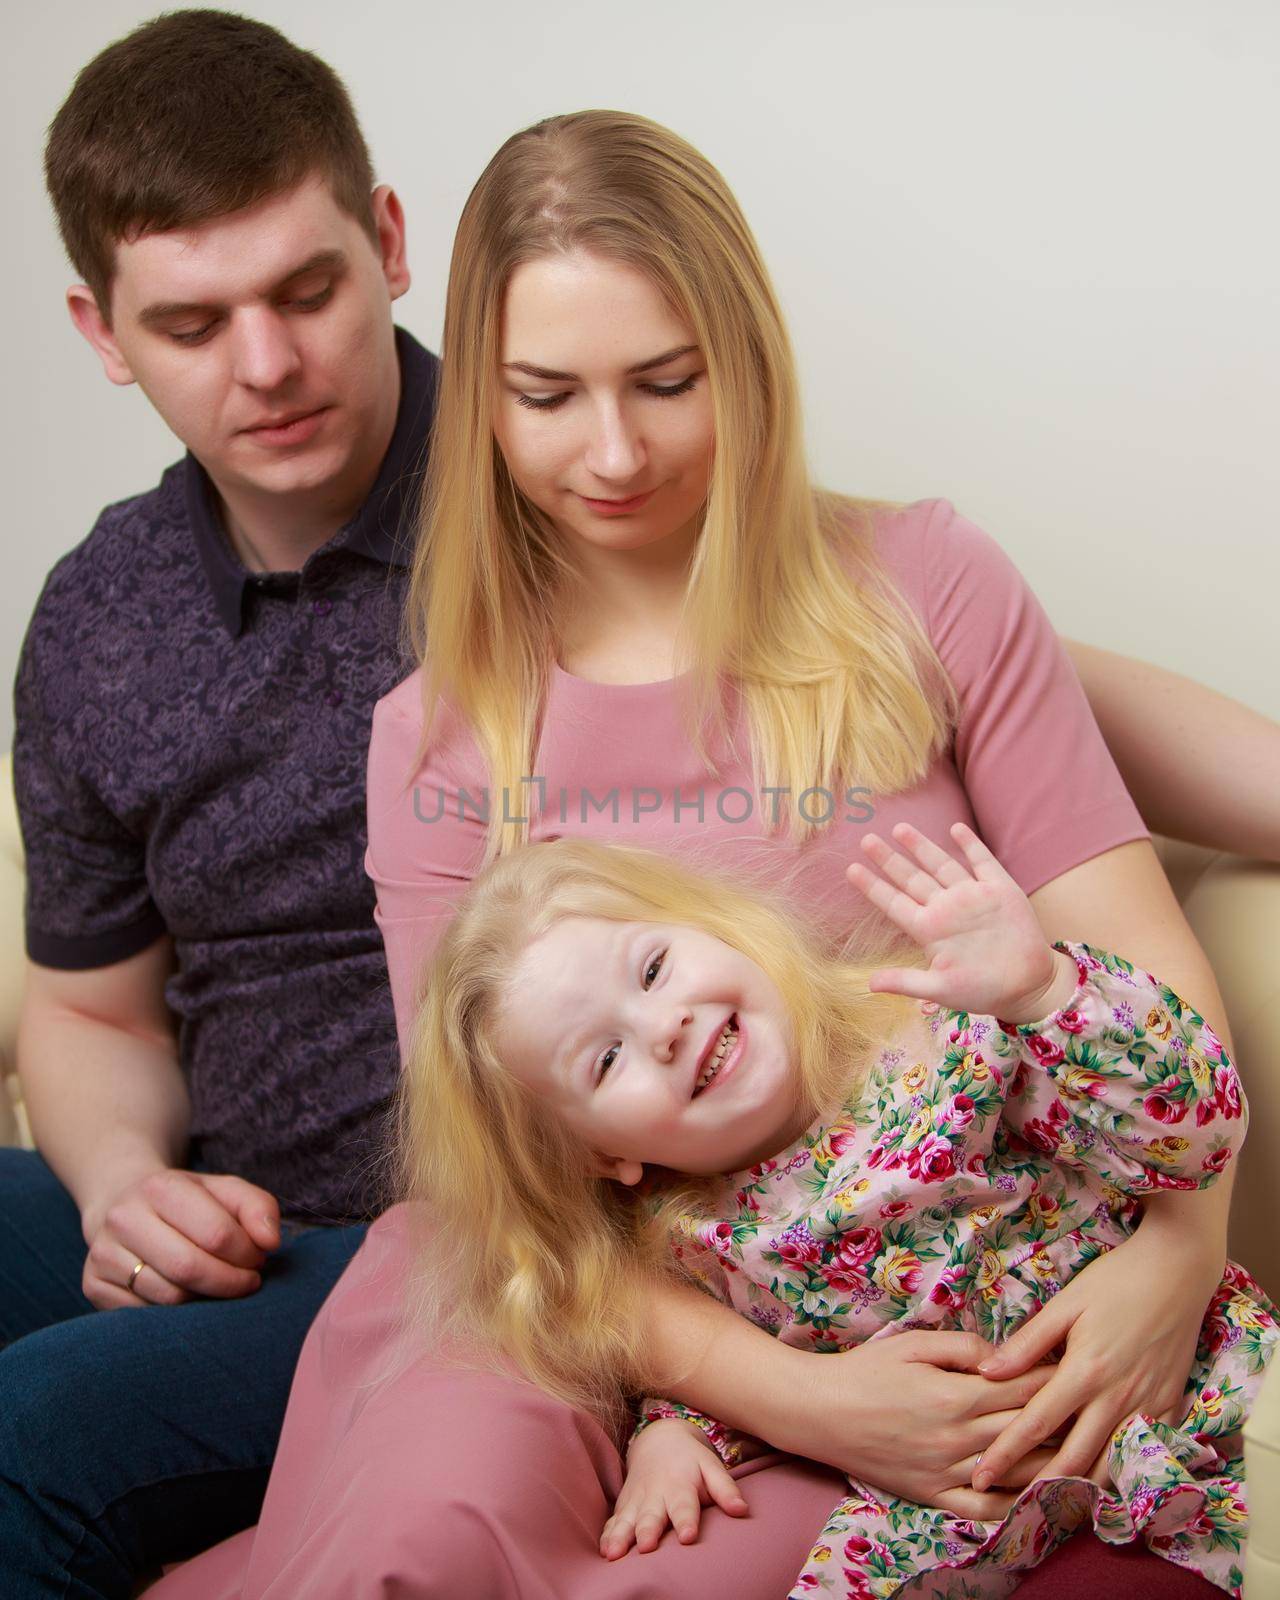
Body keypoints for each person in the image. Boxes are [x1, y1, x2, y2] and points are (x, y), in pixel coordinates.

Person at [147, 108, 1279, 1598]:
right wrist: (787, 1396)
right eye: (546, 396)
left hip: (897, 1285)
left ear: (742, 360)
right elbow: (509, 1192)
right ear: (477, 396)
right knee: (415, 1547)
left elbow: (1147, 994)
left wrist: (1177, 1256)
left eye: (666, 383)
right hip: (575, 1301)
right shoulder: (436, 738)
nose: (613, 452)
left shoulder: (926, 586)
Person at [0, 12, 438, 1596]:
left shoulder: (563, 480)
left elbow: (922, 635)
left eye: (307, 291)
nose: (267, 365)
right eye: (191, 323)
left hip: (469, 1260)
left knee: (25, 1436)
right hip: (228, 1217)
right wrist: (127, 1192)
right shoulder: (100, 611)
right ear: (102, 331)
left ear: (387, 243)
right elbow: (90, 1010)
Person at [395, 821, 1272, 1596]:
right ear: (602, 1157)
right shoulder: (689, 1239)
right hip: (965, 1519)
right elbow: (726, 1367)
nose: (660, 1026)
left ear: (718, 932)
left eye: (655, 967)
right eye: (604, 1059)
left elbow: (1195, 1131)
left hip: (1185, 1401)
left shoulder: (946, 1033)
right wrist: (669, 1438)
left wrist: (1043, 993)